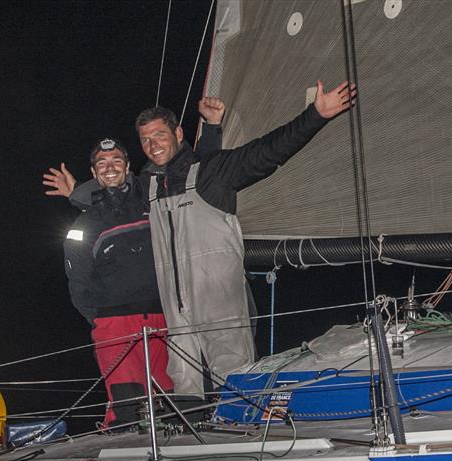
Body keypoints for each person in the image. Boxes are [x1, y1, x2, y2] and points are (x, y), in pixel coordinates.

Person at [135, 80, 356, 397]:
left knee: (233, 379)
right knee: (183, 383)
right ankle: (185, 439)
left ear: (178, 134)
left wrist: (315, 115)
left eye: (159, 135)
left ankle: (240, 429)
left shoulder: (214, 172)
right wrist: (77, 193)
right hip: (177, 316)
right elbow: (116, 194)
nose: (153, 144)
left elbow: (267, 152)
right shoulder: (150, 187)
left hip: (221, 304)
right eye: (145, 140)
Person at [43, 99, 225, 428]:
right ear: (93, 173)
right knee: (126, 408)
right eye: (101, 163)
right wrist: (101, 321)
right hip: (114, 325)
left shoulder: (151, 196)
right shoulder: (82, 225)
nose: (110, 167)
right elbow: (78, 283)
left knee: (174, 401)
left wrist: (212, 130)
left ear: (129, 167)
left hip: (164, 316)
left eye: (117, 160)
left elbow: (194, 175)